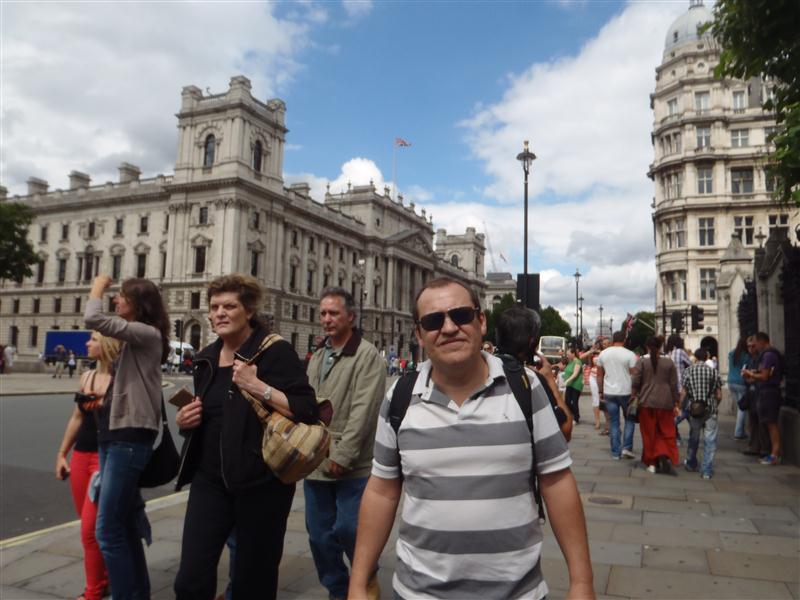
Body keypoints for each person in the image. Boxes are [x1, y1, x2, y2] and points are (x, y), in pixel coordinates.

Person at [348, 277, 594, 600]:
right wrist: (358, 581)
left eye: (461, 315)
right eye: (433, 321)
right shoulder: (400, 397)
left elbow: (557, 481)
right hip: (418, 593)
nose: (449, 328)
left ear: (481, 321)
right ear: (419, 334)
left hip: (517, 593)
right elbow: (382, 491)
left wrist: (581, 583)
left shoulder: (526, 387)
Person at [173, 274, 319, 599]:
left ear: (249, 311)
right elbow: (211, 416)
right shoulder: (206, 358)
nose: (220, 313)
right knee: (190, 579)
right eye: (214, 307)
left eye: (229, 306)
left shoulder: (274, 352)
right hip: (210, 482)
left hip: (261, 484)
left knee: (253, 583)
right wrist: (186, 420)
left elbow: (308, 409)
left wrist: (258, 387)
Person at [84, 275, 170, 599]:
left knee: (107, 530)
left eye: (120, 296)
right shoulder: (137, 336)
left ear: (138, 303)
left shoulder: (147, 333)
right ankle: (137, 593)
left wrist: (98, 286)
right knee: (124, 524)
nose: (115, 300)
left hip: (128, 439)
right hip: (115, 435)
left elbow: (93, 318)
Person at [304, 287, 386, 600]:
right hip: (315, 459)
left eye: (333, 313)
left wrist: (344, 454)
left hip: (352, 466)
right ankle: (338, 591)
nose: (326, 319)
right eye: (323, 313)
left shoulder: (366, 355)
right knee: (319, 537)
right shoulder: (318, 354)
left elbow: (364, 410)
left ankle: (365, 580)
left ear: (350, 317)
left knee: (351, 530)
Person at [55, 332, 121, 600]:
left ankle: (93, 591)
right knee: (90, 525)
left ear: (107, 343)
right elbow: (77, 418)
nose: (87, 343)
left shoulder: (122, 380)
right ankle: (106, 578)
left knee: (90, 530)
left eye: (93, 339)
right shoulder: (87, 377)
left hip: (106, 458)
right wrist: (62, 453)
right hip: (81, 458)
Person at [495, 306, 573, 441]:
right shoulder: (531, 379)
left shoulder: (481, 370)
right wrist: (549, 379)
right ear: (532, 342)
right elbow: (565, 431)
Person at [631, 336, 679, 475]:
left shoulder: (642, 361)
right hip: (666, 402)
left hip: (647, 402)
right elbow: (674, 385)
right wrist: (676, 402)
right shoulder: (669, 362)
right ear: (660, 346)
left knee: (649, 434)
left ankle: (651, 462)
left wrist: (633, 395)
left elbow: (635, 382)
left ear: (647, 347)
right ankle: (664, 454)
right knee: (666, 432)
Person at [681, 348, 722, 479]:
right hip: (710, 409)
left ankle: (691, 463)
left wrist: (680, 406)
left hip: (694, 409)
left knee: (694, 437)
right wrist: (715, 405)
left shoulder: (688, 371)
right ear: (706, 357)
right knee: (710, 440)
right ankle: (706, 470)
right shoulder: (714, 372)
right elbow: (719, 395)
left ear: (696, 357)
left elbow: (683, 393)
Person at [743, 332, 784, 465]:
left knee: (771, 424)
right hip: (767, 391)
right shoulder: (767, 355)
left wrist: (750, 373)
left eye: (755, 344)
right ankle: (773, 453)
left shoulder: (768, 355)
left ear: (762, 342)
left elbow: (765, 376)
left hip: (769, 392)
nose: (754, 347)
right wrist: (752, 374)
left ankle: (774, 454)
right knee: (769, 423)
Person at [596, 331, 638, 460]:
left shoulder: (603, 354)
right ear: (624, 340)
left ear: (613, 340)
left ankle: (615, 452)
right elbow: (634, 375)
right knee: (629, 419)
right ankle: (626, 448)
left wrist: (600, 391)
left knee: (614, 422)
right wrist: (635, 392)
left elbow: (599, 375)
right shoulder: (630, 354)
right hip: (626, 391)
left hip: (609, 392)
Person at [727, 337, 750, 440]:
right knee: (742, 408)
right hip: (741, 382)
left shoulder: (732, 353)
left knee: (740, 407)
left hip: (731, 381)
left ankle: (741, 431)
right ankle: (739, 432)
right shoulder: (746, 356)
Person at [562, 347, 584, 424]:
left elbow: (575, 374)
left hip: (576, 384)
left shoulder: (577, 362)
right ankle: (575, 414)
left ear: (573, 354)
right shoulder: (570, 361)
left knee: (574, 401)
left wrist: (566, 381)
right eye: (567, 354)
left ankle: (576, 418)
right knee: (567, 401)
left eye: (568, 354)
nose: (567, 356)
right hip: (569, 384)